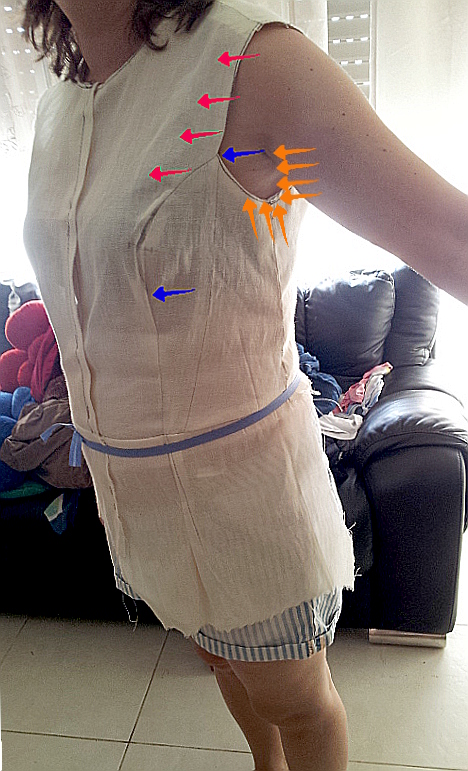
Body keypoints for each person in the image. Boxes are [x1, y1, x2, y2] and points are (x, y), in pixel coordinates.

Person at [20, 1, 468, 770]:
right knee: (224, 663)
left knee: (297, 699)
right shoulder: (64, 96)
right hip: (134, 498)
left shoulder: (251, 64)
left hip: (247, 500)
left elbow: (452, 238)